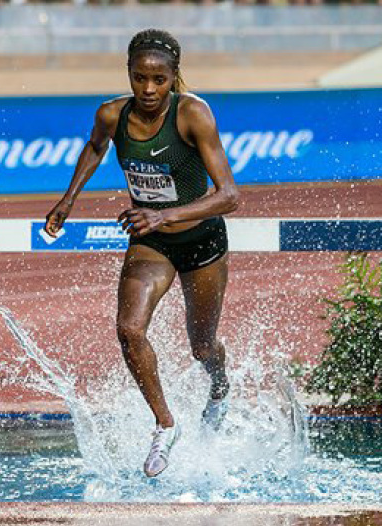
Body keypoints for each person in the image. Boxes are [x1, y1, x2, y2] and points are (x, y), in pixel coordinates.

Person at [44, 28, 239, 478]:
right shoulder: (112, 114)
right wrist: (69, 199)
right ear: (128, 74)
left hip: (201, 241)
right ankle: (165, 424)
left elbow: (228, 194)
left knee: (202, 345)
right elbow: (95, 147)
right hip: (150, 242)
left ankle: (220, 387)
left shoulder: (193, 115)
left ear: (174, 77)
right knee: (129, 329)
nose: (148, 89)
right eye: (139, 78)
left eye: (159, 80)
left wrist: (163, 216)